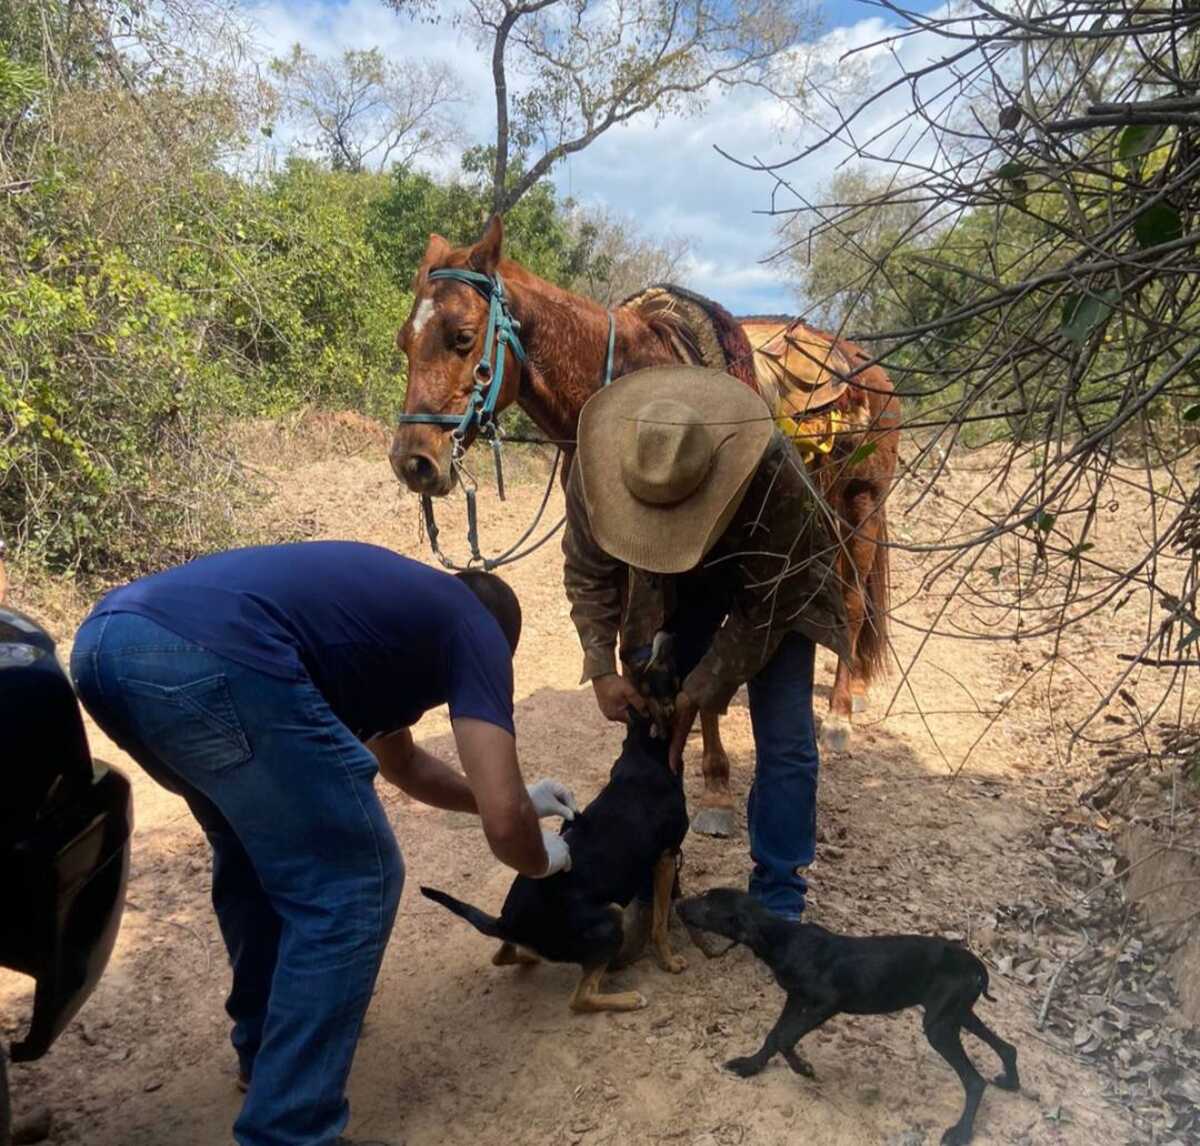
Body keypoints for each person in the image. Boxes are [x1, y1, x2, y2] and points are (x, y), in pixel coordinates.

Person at [70, 541, 576, 1146]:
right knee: (354, 878)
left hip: (110, 649)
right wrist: (541, 854)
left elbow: (406, 765)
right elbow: (504, 824)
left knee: (257, 860)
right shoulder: (477, 627)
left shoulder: (386, 628)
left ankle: (267, 1056)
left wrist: (507, 799)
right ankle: (291, 1130)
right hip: (209, 657)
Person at [562, 366, 850, 922]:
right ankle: (654, 874)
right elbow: (588, 569)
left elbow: (765, 609)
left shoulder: (773, 474)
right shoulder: (595, 470)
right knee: (651, 718)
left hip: (775, 580)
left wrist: (705, 682)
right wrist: (600, 663)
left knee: (785, 737)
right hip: (668, 585)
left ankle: (777, 898)